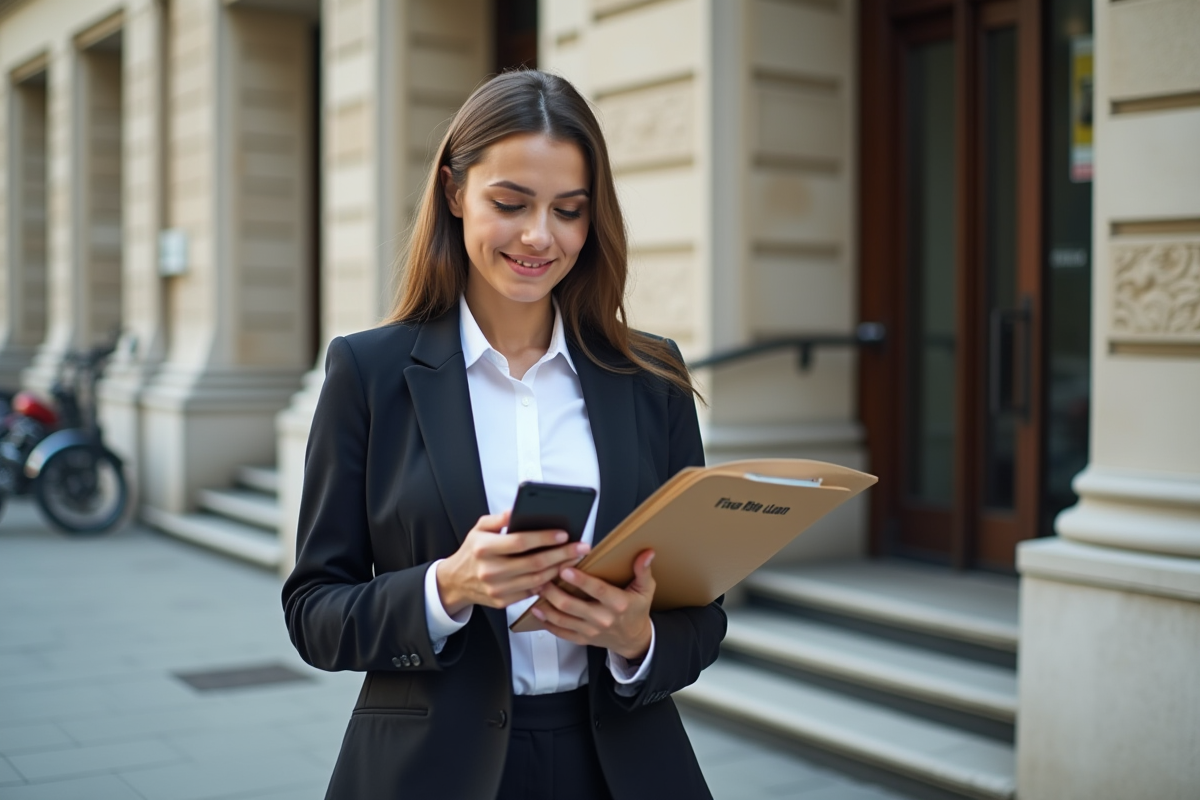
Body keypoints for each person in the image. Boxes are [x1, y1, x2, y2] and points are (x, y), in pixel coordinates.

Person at [282, 69, 726, 800]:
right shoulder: (369, 372)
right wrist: (446, 588)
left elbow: (702, 620)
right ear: (455, 193)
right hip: (432, 770)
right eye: (510, 203)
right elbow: (313, 612)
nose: (539, 236)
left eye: (569, 210)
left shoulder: (651, 377)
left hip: (619, 768)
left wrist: (636, 639)